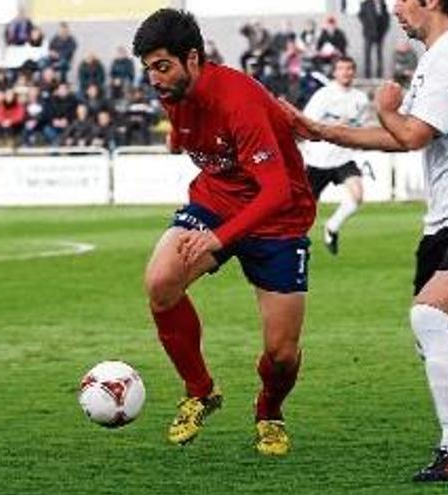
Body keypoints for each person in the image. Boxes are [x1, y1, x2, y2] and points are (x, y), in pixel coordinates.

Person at [281, 0, 448, 481]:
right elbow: (398, 136)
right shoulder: (436, 57)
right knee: (435, 337)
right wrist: (320, 130)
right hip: (445, 222)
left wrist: (386, 108)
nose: (394, 7)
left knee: (429, 318)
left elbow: (409, 133)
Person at [133, 9, 316, 456]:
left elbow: (275, 192)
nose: (155, 79)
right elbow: (185, 136)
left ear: (192, 58)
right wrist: (179, 139)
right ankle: (200, 390)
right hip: (216, 202)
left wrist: (219, 239)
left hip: (279, 217)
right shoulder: (173, 91)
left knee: (282, 355)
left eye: (162, 66)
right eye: (149, 69)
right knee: (161, 282)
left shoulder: (238, 100)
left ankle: (269, 410)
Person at [301, 56, 369, 254]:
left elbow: (359, 127)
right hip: (318, 160)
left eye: (349, 68)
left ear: (353, 72)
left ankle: (332, 226)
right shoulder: (323, 95)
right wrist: (335, 126)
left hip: (343, 158)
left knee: (357, 195)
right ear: (334, 72)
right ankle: (296, 243)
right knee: (306, 209)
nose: (346, 72)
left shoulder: (360, 99)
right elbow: (307, 122)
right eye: (342, 69)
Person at [358, 0, 390, 78]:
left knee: (379, 55)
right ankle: (367, 75)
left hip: (380, 33)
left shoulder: (383, 4)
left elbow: (386, 18)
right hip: (369, 34)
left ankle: (379, 74)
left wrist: (384, 30)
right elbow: (361, 15)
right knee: (367, 54)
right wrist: (367, 26)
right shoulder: (365, 4)